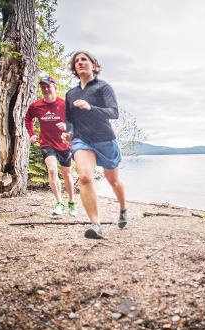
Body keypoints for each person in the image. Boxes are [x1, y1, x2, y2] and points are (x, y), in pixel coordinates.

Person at [61, 50, 127, 239]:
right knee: (85, 178)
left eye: (84, 59)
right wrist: (69, 133)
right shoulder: (71, 94)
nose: (80, 62)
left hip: (105, 138)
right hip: (82, 140)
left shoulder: (103, 87)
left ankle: (123, 208)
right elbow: (69, 119)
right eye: (76, 61)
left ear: (94, 65)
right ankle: (95, 224)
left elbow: (114, 112)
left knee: (113, 180)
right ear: (74, 68)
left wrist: (91, 108)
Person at [25, 76, 77, 217]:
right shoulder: (36, 106)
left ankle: (71, 202)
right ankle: (59, 203)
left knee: (67, 174)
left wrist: (66, 127)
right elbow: (28, 118)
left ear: (55, 88)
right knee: (52, 170)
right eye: (43, 87)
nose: (46, 89)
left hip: (64, 143)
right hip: (47, 143)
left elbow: (76, 121)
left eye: (48, 86)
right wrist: (32, 134)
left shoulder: (65, 104)